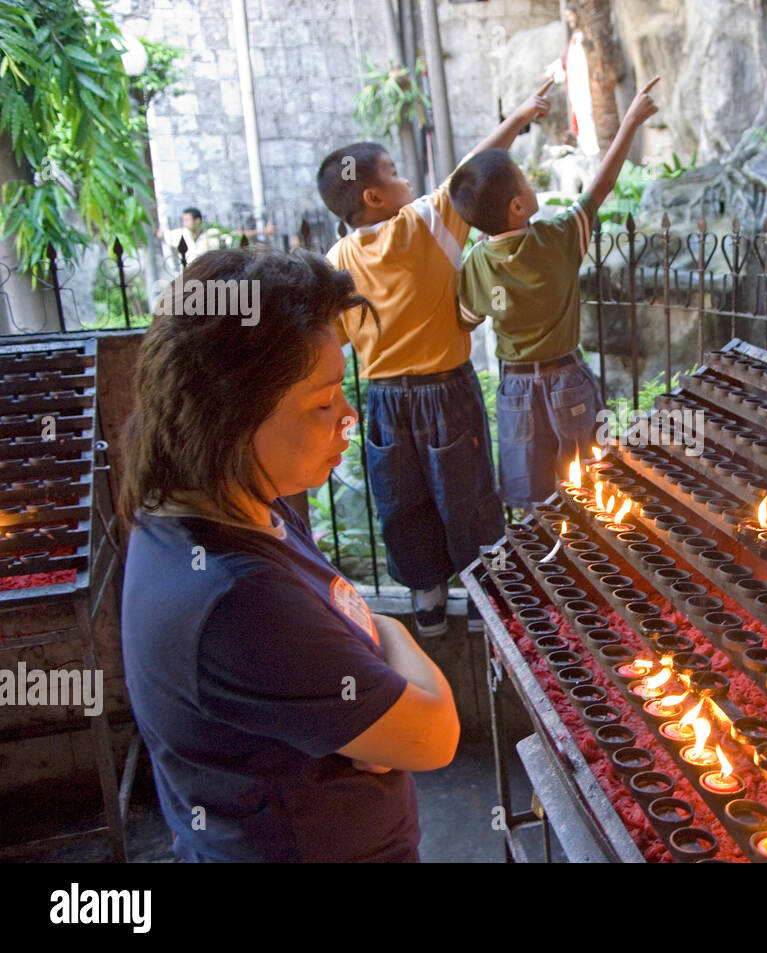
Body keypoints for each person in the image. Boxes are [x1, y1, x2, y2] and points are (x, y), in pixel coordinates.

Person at [120, 247, 458, 862]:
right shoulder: (236, 598)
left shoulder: (237, 504)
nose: (349, 417)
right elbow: (434, 733)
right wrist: (391, 638)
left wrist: (374, 646)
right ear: (228, 417)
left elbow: (352, 634)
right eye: (321, 403)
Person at [315, 81, 553, 637]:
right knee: (465, 490)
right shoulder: (424, 222)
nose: (407, 180)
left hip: (384, 399)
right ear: (374, 196)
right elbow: (472, 171)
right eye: (395, 173)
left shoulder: (337, 260)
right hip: (446, 389)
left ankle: (426, 600)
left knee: (402, 498)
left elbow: (333, 339)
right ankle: (485, 596)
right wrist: (517, 115)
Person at [450, 76, 660, 508]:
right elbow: (599, 189)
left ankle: (544, 572)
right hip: (569, 382)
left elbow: (467, 319)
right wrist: (631, 122)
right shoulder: (558, 238)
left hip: (516, 392)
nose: (530, 184)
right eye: (524, 180)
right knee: (592, 491)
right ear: (517, 205)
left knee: (530, 502)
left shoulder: (476, 265)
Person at [156, 207, 222, 263]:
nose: (185, 224)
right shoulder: (181, 234)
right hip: (189, 273)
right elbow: (165, 235)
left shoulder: (213, 233)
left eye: (187, 220)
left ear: (197, 221)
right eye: (184, 221)